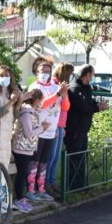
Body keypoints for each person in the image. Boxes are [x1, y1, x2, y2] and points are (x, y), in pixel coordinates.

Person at [27, 56, 66, 202]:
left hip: (51, 131)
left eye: (48, 71)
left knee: (44, 162)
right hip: (38, 131)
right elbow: (41, 104)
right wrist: (57, 95)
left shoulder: (55, 87)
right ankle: (31, 190)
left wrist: (64, 94)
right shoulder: (35, 87)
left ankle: (41, 189)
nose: (45, 73)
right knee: (35, 162)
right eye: (42, 71)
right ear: (36, 72)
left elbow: (65, 106)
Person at [65, 65, 108, 192]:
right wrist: (97, 108)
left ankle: (81, 184)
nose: (93, 77)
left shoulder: (86, 88)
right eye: (92, 75)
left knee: (82, 156)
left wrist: (98, 105)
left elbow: (90, 102)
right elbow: (83, 107)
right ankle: (72, 186)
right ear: (88, 75)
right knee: (74, 157)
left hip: (83, 129)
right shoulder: (74, 88)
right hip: (75, 129)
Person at [45, 62, 74, 198]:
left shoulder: (63, 87)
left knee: (56, 157)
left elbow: (66, 106)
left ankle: (52, 181)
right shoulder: (54, 85)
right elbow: (60, 106)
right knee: (50, 157)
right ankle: (46, 183)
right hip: (53, 124)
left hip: (60, 124)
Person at [10, 90, 42, 213]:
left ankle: (20, 198)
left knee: (23, 174)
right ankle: (19, 199)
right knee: (21, 175)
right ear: (36, 100)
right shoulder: (27, 113)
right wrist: (42, 128)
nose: (41, 102)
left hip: (26, 149)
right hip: (21, 148)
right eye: (40, 100)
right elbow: (29, 133)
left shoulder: (31, 112)